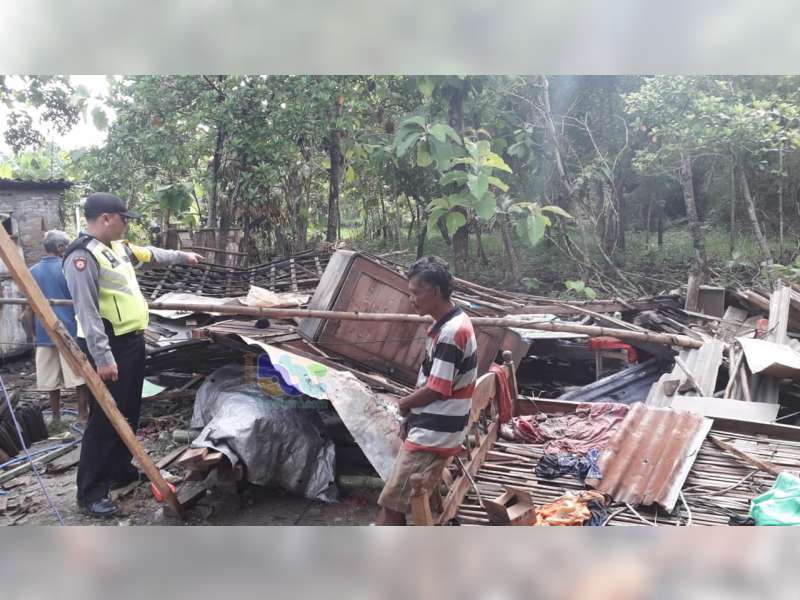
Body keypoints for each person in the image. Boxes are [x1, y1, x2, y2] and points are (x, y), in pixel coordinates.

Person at [63, 192, 202, 518]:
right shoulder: (81, 257)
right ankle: (91, 492)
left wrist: (184, 256)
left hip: (131, 342)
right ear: (106, 218)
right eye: (124, 218)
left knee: (127, 410)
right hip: (108, 346)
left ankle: (119, 470)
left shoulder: (119, 248)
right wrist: (103, 358)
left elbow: (152, 254)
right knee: (105, 418)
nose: (128, 224)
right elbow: (87, 313)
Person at [376, 256, 477, 525]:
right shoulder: (449, 323)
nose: (411, 299)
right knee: (392, 499)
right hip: (437, 425)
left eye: (415, 292)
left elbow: (437, 388)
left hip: (435, 433)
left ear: (433, 291)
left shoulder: (451, 332)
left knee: (392, 504)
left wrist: (404, 404)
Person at [20, 230, 90, 425]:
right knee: (79, 377)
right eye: (67, 245)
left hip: (44, 334)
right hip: (69, 331)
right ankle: (82, 414)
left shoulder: (31, 272)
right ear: (60, 248)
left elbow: (26, 313)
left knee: (50, 380)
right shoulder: (67, 268)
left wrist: (32, 336)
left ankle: (56, 417)